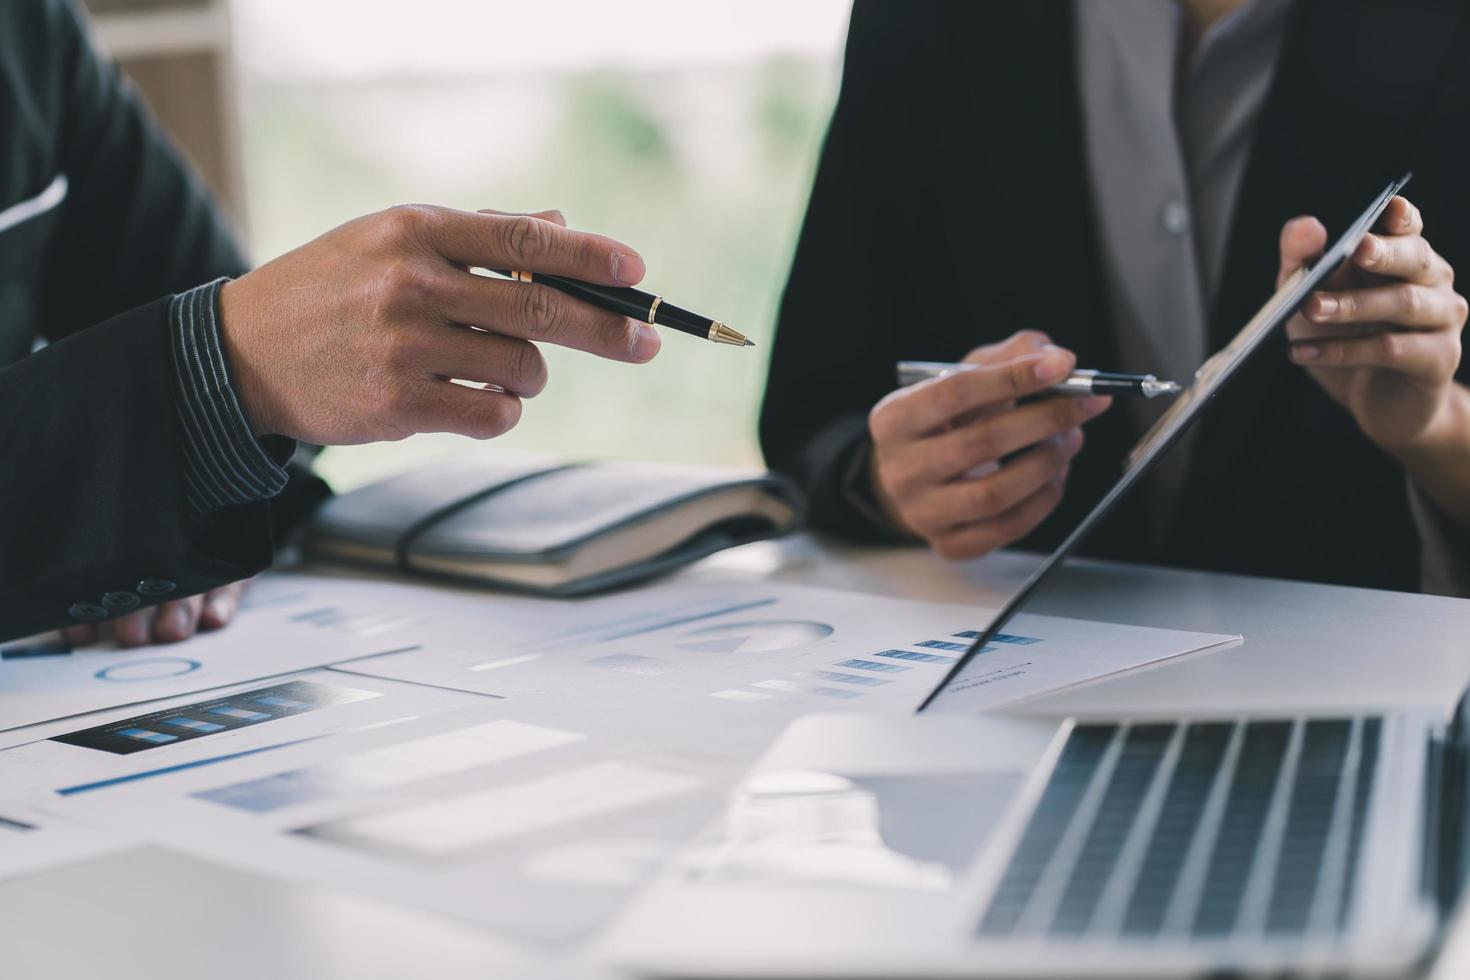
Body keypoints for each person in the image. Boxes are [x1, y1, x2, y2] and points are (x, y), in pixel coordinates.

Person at [0, 0, 660, 644]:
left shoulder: (30, 24)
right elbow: (240, 357)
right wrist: (225, 371)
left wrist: (185, 475)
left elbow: (244, 346)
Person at [761, 0, 1470, 595]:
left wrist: (1437, 427)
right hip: (1010, 699)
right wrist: (892, 485)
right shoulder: (925, 20)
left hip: (1376, 699)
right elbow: (812, 425)